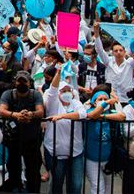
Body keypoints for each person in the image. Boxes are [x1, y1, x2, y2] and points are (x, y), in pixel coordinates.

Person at [0, 70, 44, 193]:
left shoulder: (35, 95)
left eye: (24, 81)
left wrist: (31, 114)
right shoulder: (8, 94)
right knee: (13, 168)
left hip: (32, 139)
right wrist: (16, 115)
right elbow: (2, 111)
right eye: (19, 81)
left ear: (30, 83)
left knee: (33, 170)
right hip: (13, 139)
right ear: (15, 82)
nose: (21, 84)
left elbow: (40, 111)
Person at [43, 63, 86, 194]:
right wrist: (58, 73)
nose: (66, 93)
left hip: (76, 151)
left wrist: (62, 116)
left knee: (76, 184)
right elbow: (53, 90)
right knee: (57, 182)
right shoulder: (53, 103)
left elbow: (82, 114)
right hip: (56, 152)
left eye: (69, 90)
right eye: (63, 91)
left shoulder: (76, 103)